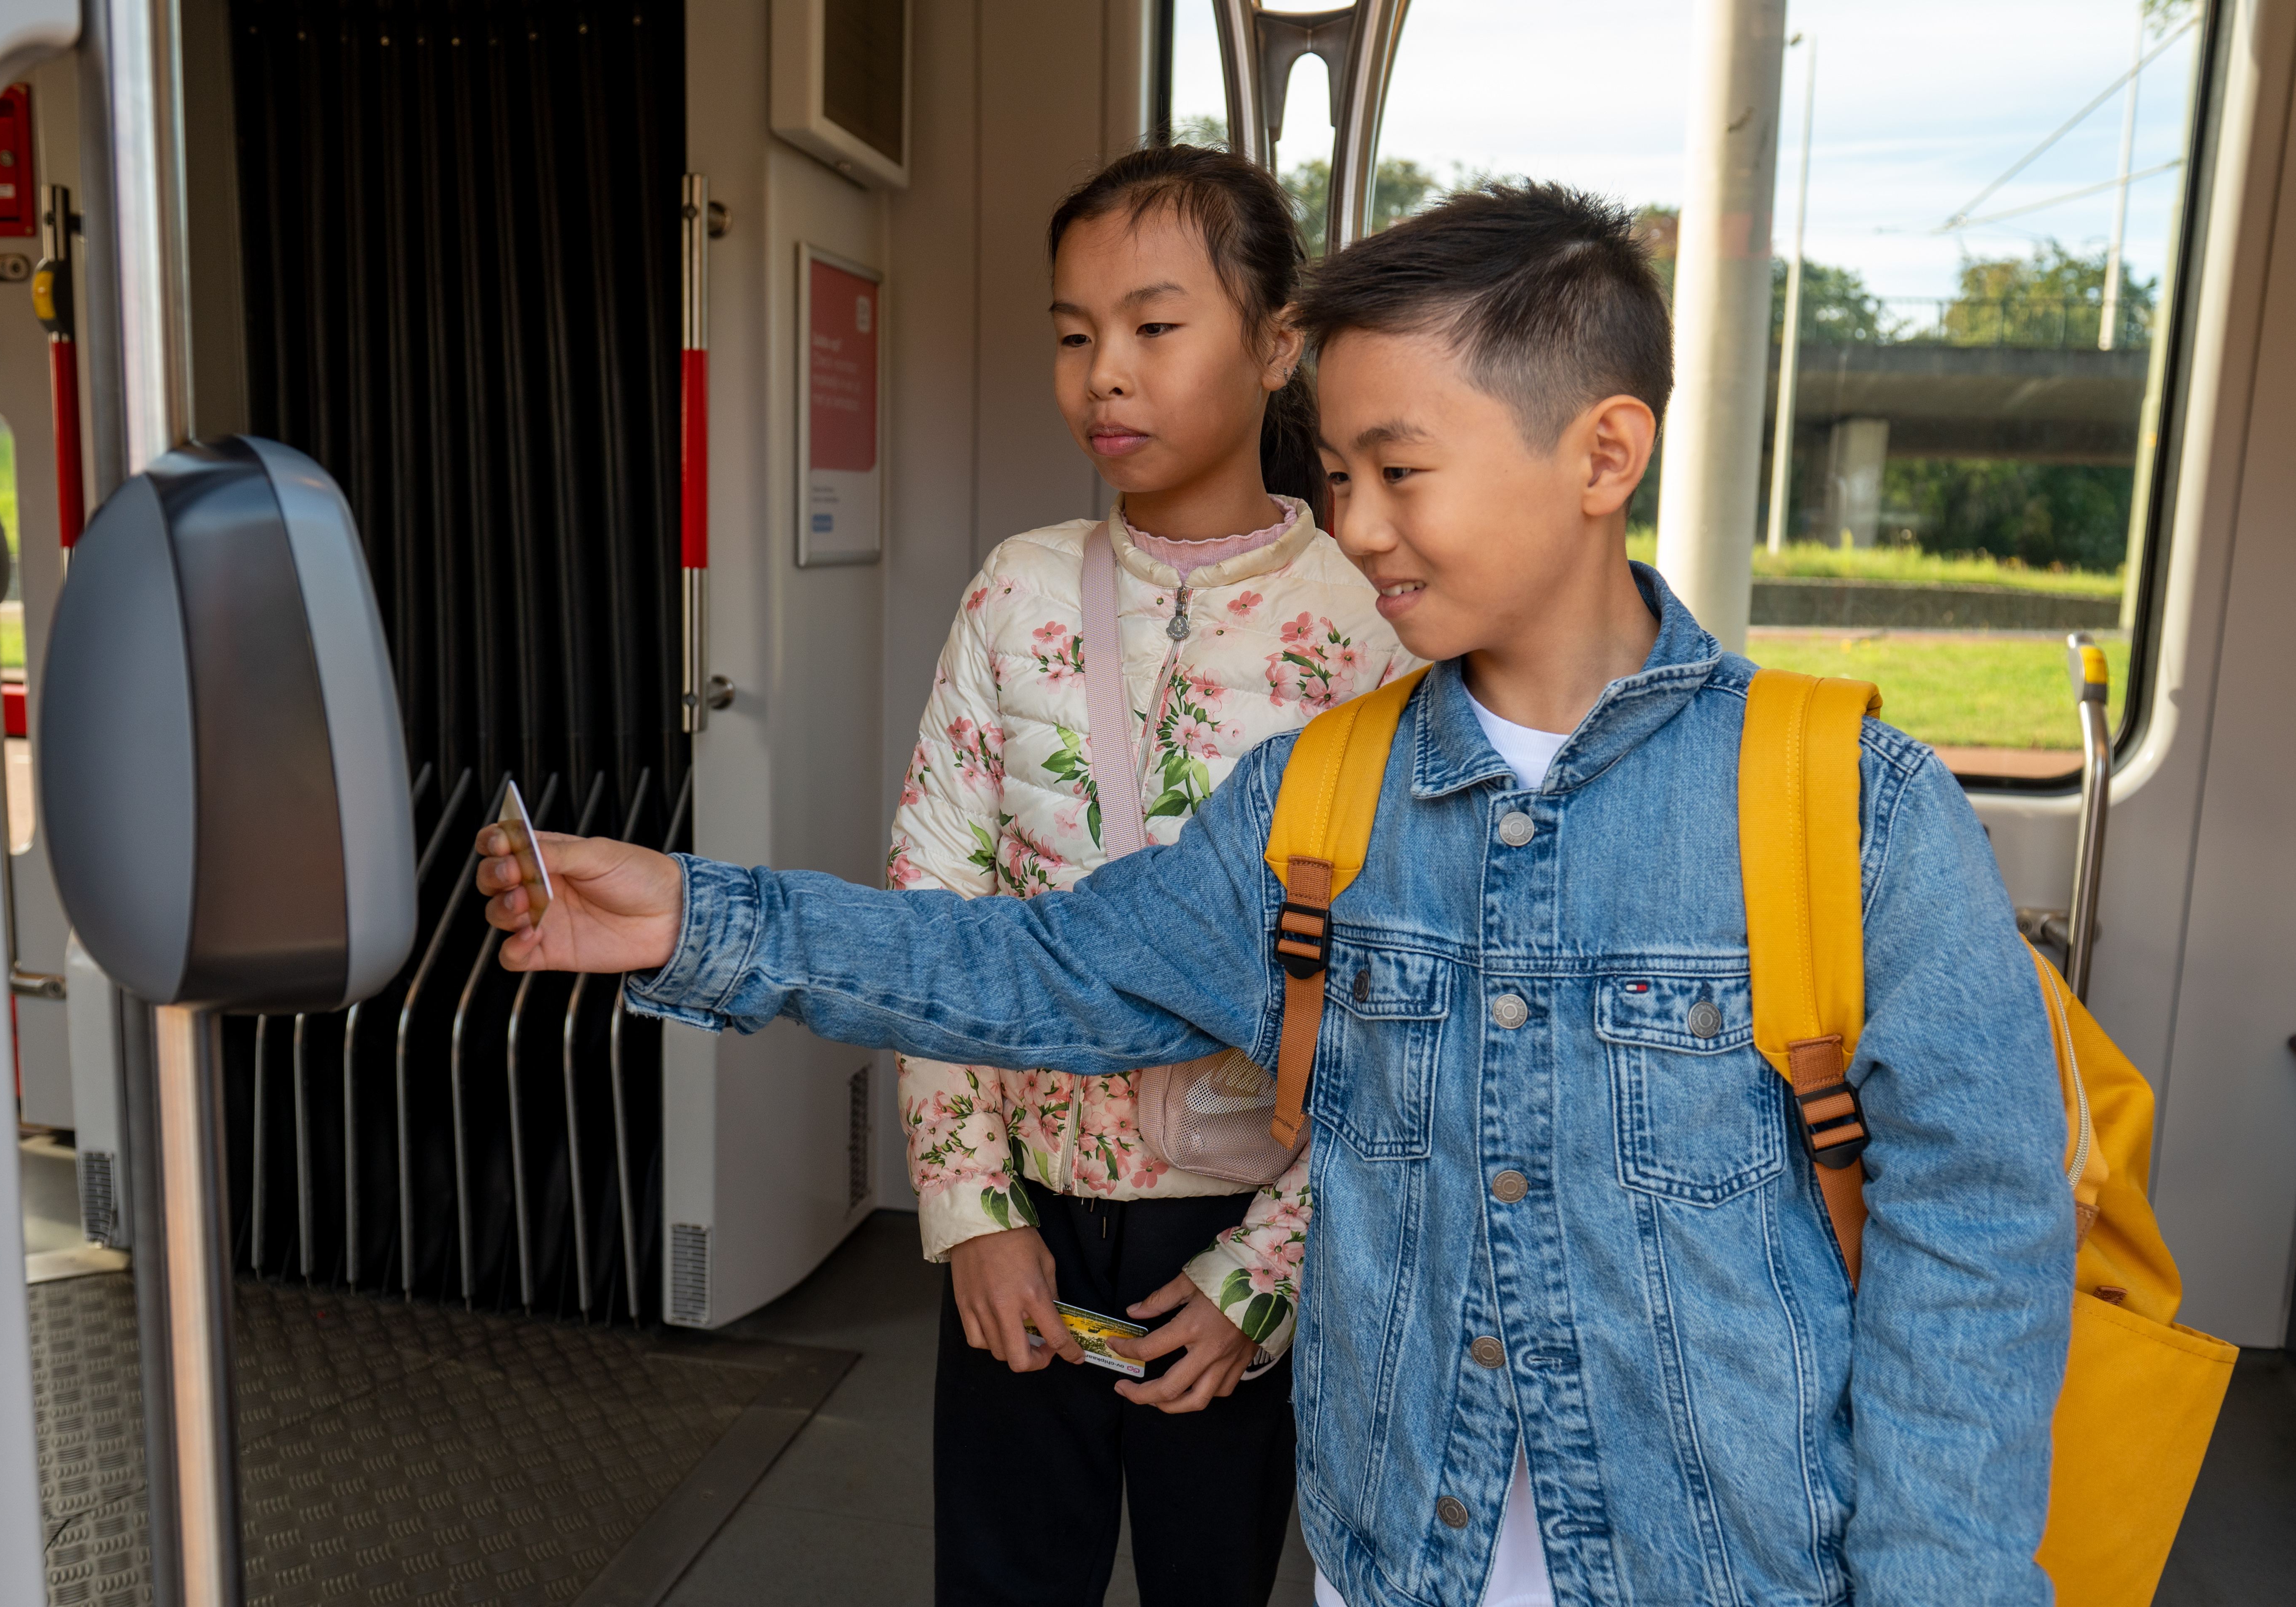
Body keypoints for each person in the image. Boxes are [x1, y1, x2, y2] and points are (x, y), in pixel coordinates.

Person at [479, 185, 2074, 1607]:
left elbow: (1974, 1246)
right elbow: (1037, 969)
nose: (1358, 526)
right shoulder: (1316, 799)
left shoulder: (1844, 806)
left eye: (1399, 471)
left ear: (1603, 452)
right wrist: (704, 919)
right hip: (1395, 1561)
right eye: (1337, 472)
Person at [887, 140, 1415, 1606]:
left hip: (1241, 1229)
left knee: (1214, 1583)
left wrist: (1268, 1274)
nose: (1102, 372)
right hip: (1025, 1213)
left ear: (1275, 342)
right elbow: (933, 904)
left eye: (1152, 325)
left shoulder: (1372, 625)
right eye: (1072, 334)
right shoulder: (1016, 589)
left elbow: (1402, 995)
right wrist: (973, 1214)